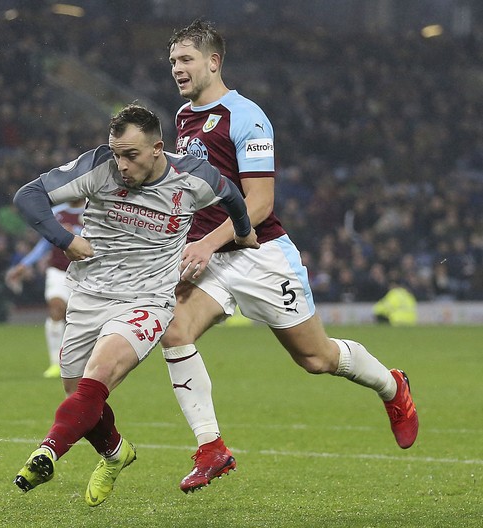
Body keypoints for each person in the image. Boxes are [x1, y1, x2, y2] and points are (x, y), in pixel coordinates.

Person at [160, 19, 419, 494]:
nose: (176, 67)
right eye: (173, 59)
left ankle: (392, 386)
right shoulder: (182, 118)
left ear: (213, 62)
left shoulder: (247, 116)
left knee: (317, 359)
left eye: (186, 59)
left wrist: (206, 242)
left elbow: (259, 205)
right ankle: (211, 448)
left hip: (260, 254)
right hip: (213, 255)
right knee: (173, 330)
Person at [12, 103, 258, 506]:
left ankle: (47, 452)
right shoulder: (97, 167)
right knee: (80, 398)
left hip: (148, 298)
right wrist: (66, 239)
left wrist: (244, 232)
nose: (121, 164)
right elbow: (29, 195)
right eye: (116, 153)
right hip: (90, 295)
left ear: (158, 148)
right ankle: (116, 453)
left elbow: (233, 196)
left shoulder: (193, 177)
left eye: (131, 155)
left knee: (101, 371)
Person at [5, 198, 86, 378]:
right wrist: (23, 265)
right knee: (56, 309)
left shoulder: (93, 209)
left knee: (81, 319)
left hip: (85, 272)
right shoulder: (56, 212)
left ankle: (81, 362)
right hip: (58, 271)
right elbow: (44, 244)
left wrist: (75, 234)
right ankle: (55, 364)